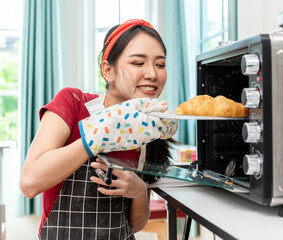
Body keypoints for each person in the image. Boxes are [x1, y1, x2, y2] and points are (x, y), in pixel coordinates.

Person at [20, 19, 178, 239]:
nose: (152, 74)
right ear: (107, 70)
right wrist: (97, 135)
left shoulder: (147, 130)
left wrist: (139, 192)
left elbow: (136, 224)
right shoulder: (73, 103)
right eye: (138, 63)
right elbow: (29, 183)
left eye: (160, 64)